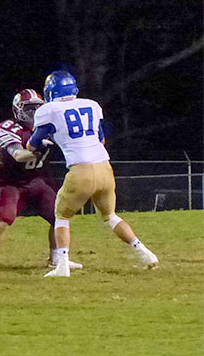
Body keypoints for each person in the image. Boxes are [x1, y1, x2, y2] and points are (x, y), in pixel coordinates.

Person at [27, 71, 159, 277]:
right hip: (104, 166)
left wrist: (48, 139)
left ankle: (62, 265)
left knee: (61, 216)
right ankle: (145, 252)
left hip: (81, 170)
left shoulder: (49, 110)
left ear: (51, 92)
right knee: (110, 216)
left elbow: (31, 144)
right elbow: (101, 139)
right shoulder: (92, 105)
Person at [0, 89, 83, 274]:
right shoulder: (9, 127)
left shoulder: (48, 127)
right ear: (18, 110)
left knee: (59, 216)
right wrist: (35, 149)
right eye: (29, 108)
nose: (34, 113)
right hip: (10, 181)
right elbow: (18, 155)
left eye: (38, 108)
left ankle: (56, 259)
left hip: (36, 180)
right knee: (6, 218)